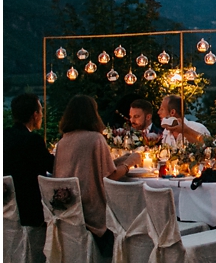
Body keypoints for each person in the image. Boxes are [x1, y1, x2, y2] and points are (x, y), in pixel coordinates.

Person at [52, 95, 140, 251]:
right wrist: (129, 163)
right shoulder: (95, 139)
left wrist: (120, 160)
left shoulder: (62, 142)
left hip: (68, 213)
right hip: (91, 216)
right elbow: (110, 177)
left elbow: (92, 168)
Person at [3, 93, 54, 227]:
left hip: (6, 206)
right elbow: (53, 167)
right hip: (31, 210)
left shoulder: (5, 137)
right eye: (41, 111)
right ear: (35, 115)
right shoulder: (33, 141)